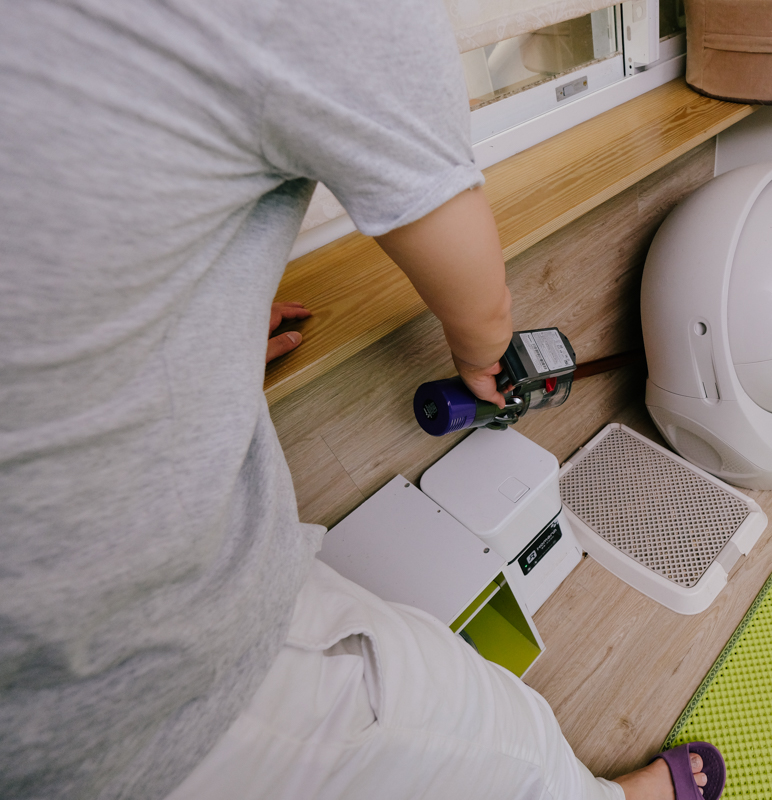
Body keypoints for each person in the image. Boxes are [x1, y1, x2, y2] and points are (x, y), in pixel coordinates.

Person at [0, 1, 718, 799]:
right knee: (512, 743)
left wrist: (199, 314)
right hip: (135, 684)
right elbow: (474, 285)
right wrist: (482, 353)